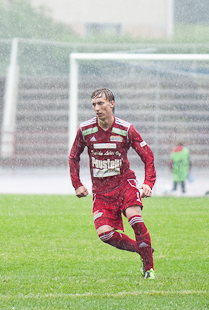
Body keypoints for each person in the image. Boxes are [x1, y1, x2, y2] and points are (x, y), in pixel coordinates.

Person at [68, 88, 157, 279]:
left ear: (112, 104)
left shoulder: (126, 129)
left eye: (100, 103)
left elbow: (148, 155)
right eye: (93, 104)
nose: (96, 108)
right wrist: (77, 183)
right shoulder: (85, 129)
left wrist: (148, 183)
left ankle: (149, 269)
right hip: (101, 192)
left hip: (125, 184)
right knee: (105, 234)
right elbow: (73, 156)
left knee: (135, 218)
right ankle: (143, 250)